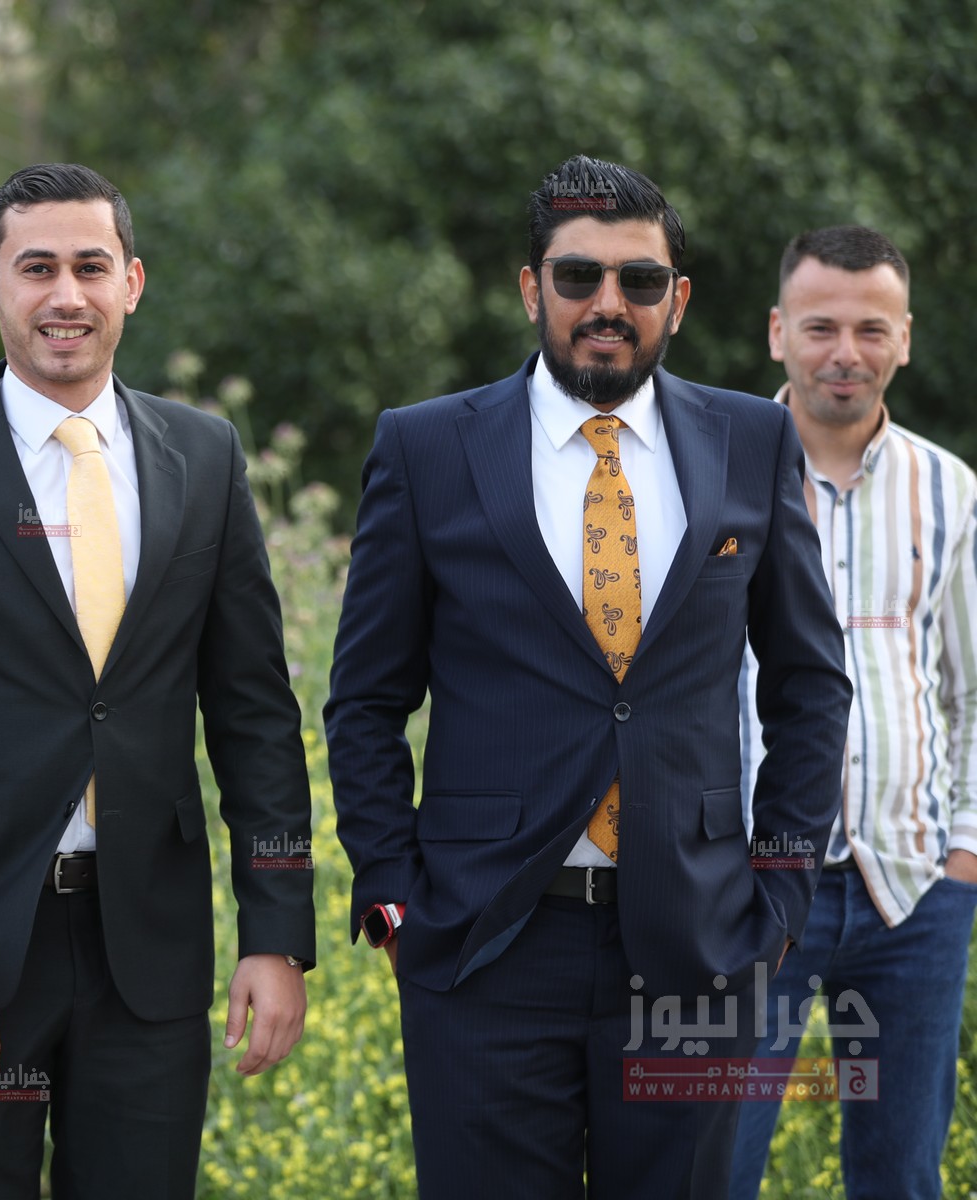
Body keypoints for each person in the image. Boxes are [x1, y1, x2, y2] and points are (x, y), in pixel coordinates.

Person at [324, 154, 852, 1198]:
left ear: (677, 300)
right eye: (579, 276)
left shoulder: (753, 440)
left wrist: (782, 893)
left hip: (697, 945)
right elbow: (366, 699)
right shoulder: (426, 448)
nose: (608, 304)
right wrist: (391, 894)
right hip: (484, 945)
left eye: (638, 280)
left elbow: (810, 686)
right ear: (533, 289)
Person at [0, 162, 315, 1198]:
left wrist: (278, 934)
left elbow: (255, 716)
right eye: (36, 267)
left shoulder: (207, 457)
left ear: (131, 282)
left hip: (151, 951)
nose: (66, 295)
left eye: (91, 267)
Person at [727, 226, 977, 1200]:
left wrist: (966, 854)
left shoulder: (951, 492)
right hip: (745, 891)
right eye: (821, 326)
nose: (846, 352)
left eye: (872, 329)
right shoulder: (711, 475)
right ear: (777, 332)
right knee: (712, 1170)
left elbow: (969, 688)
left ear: (904, 339)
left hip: (915, 892)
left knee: (902, 1179)